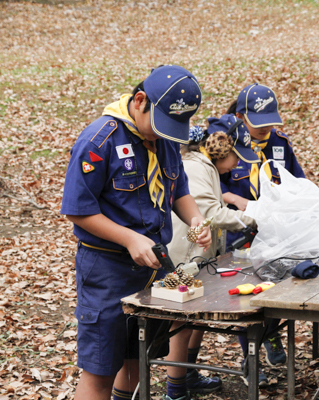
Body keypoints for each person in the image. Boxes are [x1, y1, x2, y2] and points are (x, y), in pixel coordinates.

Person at [60, 65, 212, 400]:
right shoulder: (99, 140)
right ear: (140, 100)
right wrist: (129, 238)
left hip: (153, 265)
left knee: (137, 358)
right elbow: (76, 209)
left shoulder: (166, 139)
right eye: (159, 124)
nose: (162, 134)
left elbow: (179, 191)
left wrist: (197, 219)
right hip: (107, 269)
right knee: (100, 369)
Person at [165, 114, 260, 395]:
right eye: (236, 158)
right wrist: (254, 217)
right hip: (182, 258)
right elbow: (211, 214)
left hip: (198, 257)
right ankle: (175, 388)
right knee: (180, 323)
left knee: (194, 321)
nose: (238, 164)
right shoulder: (196, 168)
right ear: (224, 152)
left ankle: (187, 377)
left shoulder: (207, 168)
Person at [219, 83, 305, 373]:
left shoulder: (279, 143)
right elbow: (207, 184)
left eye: (270, 121)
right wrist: (232, 197)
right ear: (241, 116)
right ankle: (250, 360)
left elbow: (298, 181)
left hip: (276, 228)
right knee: (248, 294)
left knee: (277, 284)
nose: (266, 128)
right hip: (239, 232)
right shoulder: (225, 142)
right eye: (259, 123)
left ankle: (270, 333)